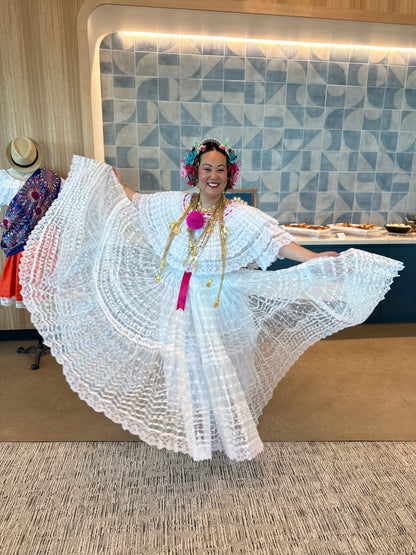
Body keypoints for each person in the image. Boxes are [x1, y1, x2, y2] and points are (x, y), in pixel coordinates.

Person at [19, 138, 403, 461]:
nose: (213, 175)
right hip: (177, 297)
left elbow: (277, 243)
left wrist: (315, 258)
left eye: (220, 169)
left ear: (229, 175)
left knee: (224, 361)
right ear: (195, 172)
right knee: (183, 361)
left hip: (219, 301)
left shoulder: (240, 214)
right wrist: (109, 181)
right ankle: (196, 426)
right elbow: (136, 200)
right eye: (207, 168)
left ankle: (223, 426)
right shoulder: (176, 204)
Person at [0, 137, 62, 307]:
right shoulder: (51, 180)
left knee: (44, 296)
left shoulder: (50, 180)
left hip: (40, 243)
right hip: (29, 242)